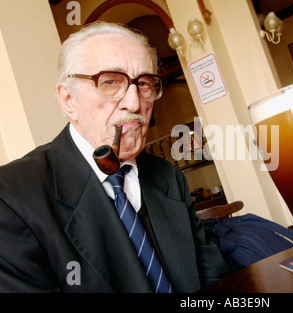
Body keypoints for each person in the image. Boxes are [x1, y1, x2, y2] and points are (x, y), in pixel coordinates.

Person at [0, 21, 230, 293]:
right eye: (110, 81)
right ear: (68, 100)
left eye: (144, 83)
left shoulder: (168, 177)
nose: (134, 103)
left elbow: (215, 284)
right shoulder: (11, 197)